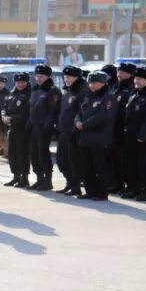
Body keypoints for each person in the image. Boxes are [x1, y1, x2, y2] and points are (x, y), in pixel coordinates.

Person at [75, 71, 116, 201]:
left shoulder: (108, 98)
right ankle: (90, 191)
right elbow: (79, 112)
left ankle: (102, 193)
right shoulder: (87, 96)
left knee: (100, 166)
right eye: (90, 82)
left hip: (100, 138)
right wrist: (77, 122)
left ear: (103, 83)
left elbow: (103, 116)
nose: (92, 85)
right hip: (85, 138)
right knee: (87, 166)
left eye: (95, 82)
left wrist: (84, 124)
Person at [56, 66, 89, 196]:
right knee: (61, 159)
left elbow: (81, 112)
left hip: (74, 132)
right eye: (65, 77)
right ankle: (69, 182)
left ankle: (76, 186)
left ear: (77, 78)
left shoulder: (82, 91)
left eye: (69, 77)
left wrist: (74, 128)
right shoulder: (67, 91)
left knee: (73, 161)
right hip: (63, 130)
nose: (66, 80)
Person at [27, 64, 61, 191]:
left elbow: (53, 111)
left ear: (48, 76)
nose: (38, 79)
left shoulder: (52, 91)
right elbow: (31, 108)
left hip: (44, 127)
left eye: (41, 76)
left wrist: (47, 127)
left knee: (43, 154)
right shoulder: (35, 89)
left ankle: (48, 180)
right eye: (36, 76)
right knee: (33, 154)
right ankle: (39, 178)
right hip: (34, 126)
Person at [122, 67, 146, 200]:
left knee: (145, 165)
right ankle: (134, 188)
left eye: (140, 79)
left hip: (145, 137)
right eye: (136, 78)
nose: (136, 81)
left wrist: (143, 135)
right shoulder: (136, 92)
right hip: (131, 134)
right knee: (131, 163)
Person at [2, 73, 32, 188]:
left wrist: (12, 119)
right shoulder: (12, 93)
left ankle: (24, 178)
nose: (20, 84)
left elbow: (26, 114)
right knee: (12, 154)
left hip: (22, 129)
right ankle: (15, 176)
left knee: (22, 154)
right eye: (18, 82)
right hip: (12, 128)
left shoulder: (28, 95)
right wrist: (4, 116)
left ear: (26, 82)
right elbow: (4, 107)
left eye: (22, 82)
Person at [112, 63, 136, 194]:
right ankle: (117, 183)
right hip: (113, 129)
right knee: (115, 158)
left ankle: (129, 185)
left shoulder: (132, 88)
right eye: (118, 71)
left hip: (124, 129)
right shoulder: (116, 87)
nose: (119, 74)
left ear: (130, 74)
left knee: (125, 160)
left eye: (122, 72)